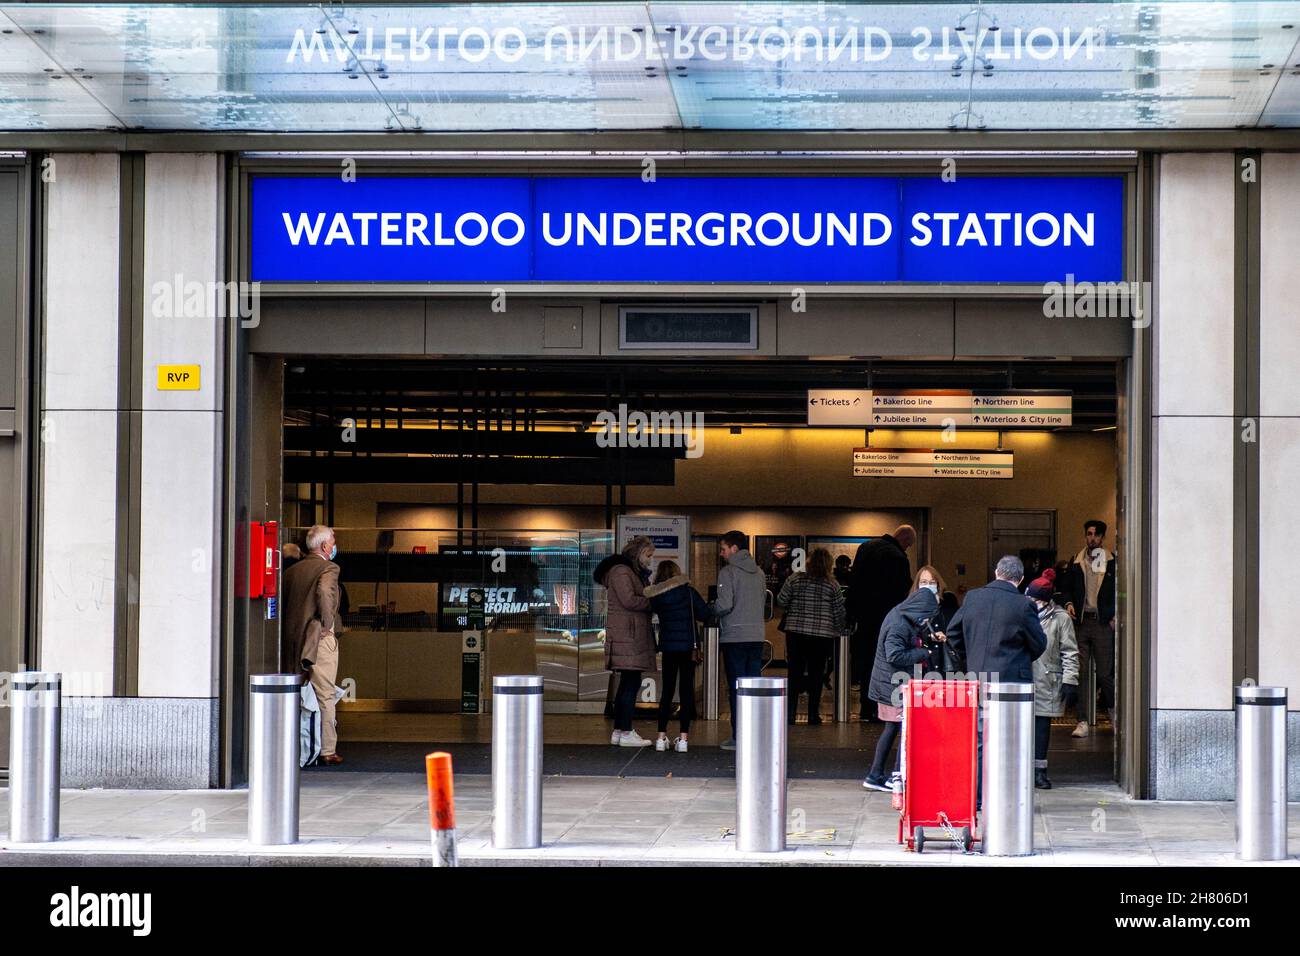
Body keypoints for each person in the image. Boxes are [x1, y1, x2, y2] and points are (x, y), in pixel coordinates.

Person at [940, 555, 1048, 805]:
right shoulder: (1023, 605)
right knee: (1011, 741)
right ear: (1020, 580)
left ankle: (977, 798)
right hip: (1012, 682)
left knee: (980, 739)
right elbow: (1039, 644)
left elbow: (953, 634)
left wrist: (973, 657)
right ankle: (1006, 798)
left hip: (978, 677)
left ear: (996, 572)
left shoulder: (973, 598)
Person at [862, 583, 943, 791]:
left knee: (893, 729)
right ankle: (895, 777)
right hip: (892, 685)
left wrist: (928, 637)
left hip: (889, 684)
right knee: (903, 730)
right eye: (926, 616)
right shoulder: (899, 624)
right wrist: (924, 653)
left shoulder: (901, 614)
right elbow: (895, 655)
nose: (926, 621)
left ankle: (876, 775)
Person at [281, 524, 343, 765]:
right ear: (326, 546)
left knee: (297, 695)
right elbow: (325, 594)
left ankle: (297, 746)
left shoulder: (291, 572)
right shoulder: (329, 567)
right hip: (318, 639)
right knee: (325, 694)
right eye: (334, 541)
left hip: (292, 640)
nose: (335, 545)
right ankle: (327, 749)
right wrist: (328, 625)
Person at [847, 525, 916, 720]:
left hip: (863, 617)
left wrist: (851, 612)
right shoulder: (898, 557)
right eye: (908, 544)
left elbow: (855, 582)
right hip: (884, 618)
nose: (907, 548)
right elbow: (901, 591)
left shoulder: (865, 547)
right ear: (904, 540)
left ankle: (865, 706)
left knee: (865, 661)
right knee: (883, 664)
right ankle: (879, 708)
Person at [595, 536, 657, 748]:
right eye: (648, 555)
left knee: (628, 684)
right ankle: (626, 730)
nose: (650, 560)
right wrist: (652, 601)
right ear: (638, 553)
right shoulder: (622, 571)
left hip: (628, 635)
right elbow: (629, 600)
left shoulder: (627, 571)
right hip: (628, 636)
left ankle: (619, 730)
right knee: (631, 684)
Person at [708, 530, 766, 751]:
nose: (721, 554)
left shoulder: (728, 572)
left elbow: (725, 605)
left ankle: (738, 736)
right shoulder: (759, 572)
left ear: (734, 549)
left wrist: (710, 609)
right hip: (757, 636)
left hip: (734, 637)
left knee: (736, 688)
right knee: (753, 687)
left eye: (723, 549)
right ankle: (755, 735)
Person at [644, 560, 709, 753]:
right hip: (688, 647)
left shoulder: (657, 595)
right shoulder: (688, 592)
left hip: (669, 648)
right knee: (686, 691)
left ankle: (661, 737)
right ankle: (683, 740)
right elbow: (704, 613)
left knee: (667, 691)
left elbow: (648, 610)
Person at [776, 548, 846, 725]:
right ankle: (813, 715)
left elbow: (781, 600)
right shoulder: (832, 584)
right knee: (817, 674)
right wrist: (839, 630)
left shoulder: (795, 578)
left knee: (794, 672)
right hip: (822, 635)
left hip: (796, 632)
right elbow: (839, 611)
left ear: (809, 561)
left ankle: (790, 714)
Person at [1061, 519, 1117, 738]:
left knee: (1105, 674)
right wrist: (1069, 603)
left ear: (1102, 537)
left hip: (1102, 622)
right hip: (1083, 621)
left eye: (1095, 534)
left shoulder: (1112, 562)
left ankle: (1113, 714)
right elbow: (1065, 588)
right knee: (1082, 673)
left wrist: (1113, 615)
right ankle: (1082, 720)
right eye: (1089, 534)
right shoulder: (1077, 560)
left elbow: (1119, 590)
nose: (1091, 538)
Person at [1026, 569, 1079, 789]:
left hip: (1047, 679)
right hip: (1023, 677)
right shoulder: (1022, 613)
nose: (1030, 601)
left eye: (1034, 599)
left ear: (1044, 600)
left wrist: (1070, 680)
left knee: (1041, 728)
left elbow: (1070, 651)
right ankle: (1022, 770)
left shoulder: (1060, 619)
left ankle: (1040, 771)